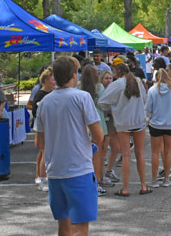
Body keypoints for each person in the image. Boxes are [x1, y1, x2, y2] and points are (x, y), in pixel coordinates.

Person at [35, 56, 103, 236]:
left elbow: (39, 143)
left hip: (55, 171)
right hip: (79, 169)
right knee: (81, 227)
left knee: (63, 226)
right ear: (74, 75)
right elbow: (98, 135)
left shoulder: (45, 102)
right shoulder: (82, 97)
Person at [99, 63, 149, 196]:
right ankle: (143, 185)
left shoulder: (117, 84)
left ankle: (125, 188)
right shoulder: (138, 81)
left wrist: (112, 109)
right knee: (140, 153)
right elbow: (144, 99)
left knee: (126, 154)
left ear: (118, 72)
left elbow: (102, 102)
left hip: (123, 121)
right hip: (139, 119)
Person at [79, 64, 110, 196]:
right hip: (97, 120)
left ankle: (83, 184)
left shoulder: (78, 87)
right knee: (97, 155)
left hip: (82, 122)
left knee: (83, 155)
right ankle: (96, 184)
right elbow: (104, 104)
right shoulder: (99, 87)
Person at [145, 68, 171, 188]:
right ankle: (167, 178)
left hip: (156, 124)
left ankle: (154, 179)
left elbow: (148, 108)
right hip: (170, 123)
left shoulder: (152, 90)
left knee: (155, 152)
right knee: (168, 151)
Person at [31, 67, 55, 191]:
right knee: (44, 151)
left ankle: (39, 176)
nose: (54, 81)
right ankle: (42, 178)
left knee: (43, 151)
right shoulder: (41, 94)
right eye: (52, 79)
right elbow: (35, 111)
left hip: (47, 125)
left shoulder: (52, 92)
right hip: (43, 126)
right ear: (45, 80)